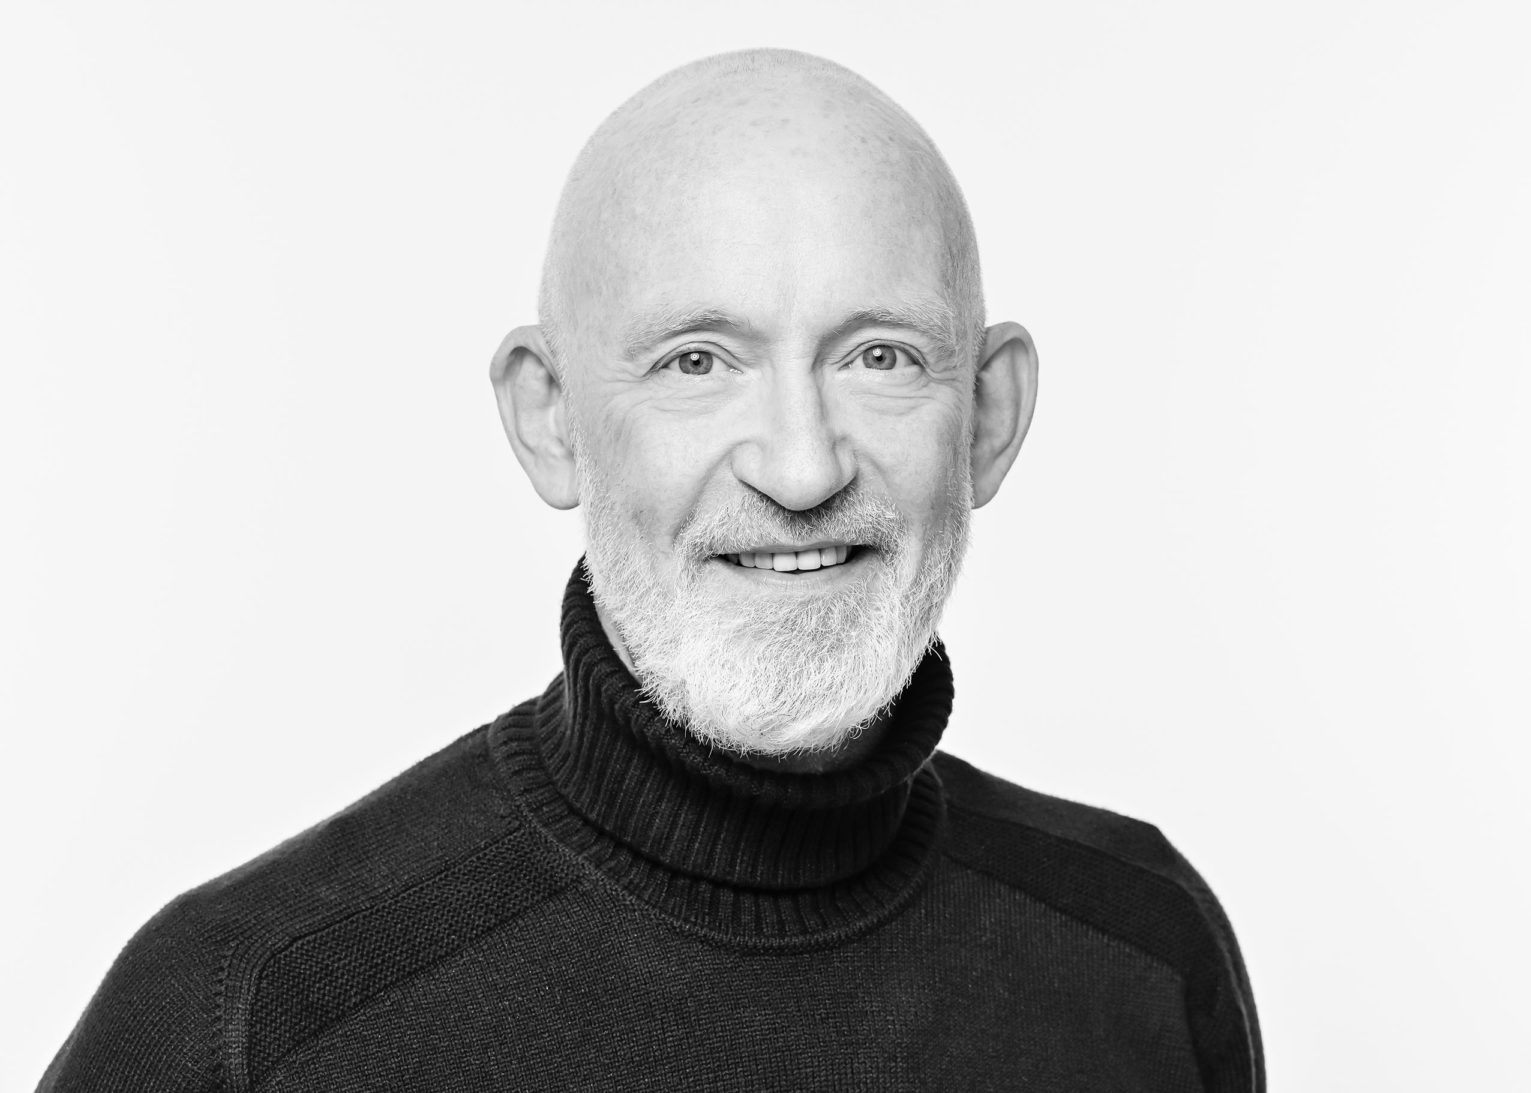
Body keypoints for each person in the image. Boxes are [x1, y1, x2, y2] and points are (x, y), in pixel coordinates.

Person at [40, 49, 1263, 1092]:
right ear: (551, 419)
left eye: (880, 356)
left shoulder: (1146, 950)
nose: (800, 467)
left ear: (988, 416)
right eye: (697, 362)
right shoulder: (250, 1014)